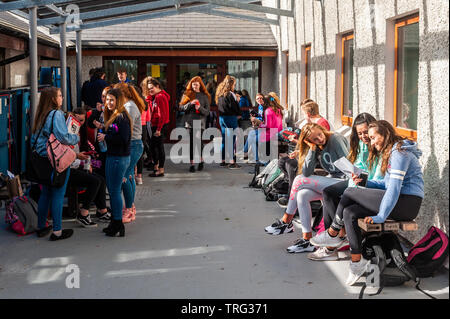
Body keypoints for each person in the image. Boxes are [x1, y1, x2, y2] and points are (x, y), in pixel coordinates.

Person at [310, 120, 424, 285]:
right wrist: (363, 181)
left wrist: (381, 216)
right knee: (350, 212)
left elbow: (393, 189)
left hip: (407, 204)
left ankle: (333, 233)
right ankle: (357, 262)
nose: (371, 142)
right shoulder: (391, 153)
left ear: (385, 134)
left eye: (373, 137)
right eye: (369, 138)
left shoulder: (400, 153)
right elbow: (385, 185)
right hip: (399, 200)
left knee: (349, 192)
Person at [307, 113, 384, 261]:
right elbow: (358, 168)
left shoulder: (378, 145)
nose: (363, 136)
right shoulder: (362, 144)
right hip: (359, 181)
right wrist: (353, 180)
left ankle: (332, 241)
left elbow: (377, 175)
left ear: (374, 128)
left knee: (346, 195)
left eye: (365, 132)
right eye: (359, 133)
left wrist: (356, 185)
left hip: (372, 185)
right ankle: (334, 237)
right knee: (328, 193)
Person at [264, 123, 349, 254]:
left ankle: (286, 221)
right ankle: (307, 240)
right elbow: (307, 171)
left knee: (299, 180)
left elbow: (348, 165)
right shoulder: (317, 147)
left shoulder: (335, 139)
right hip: (332, 180)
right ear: (309, 141)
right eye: (314, 139)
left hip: (346, 181)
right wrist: (312, 150)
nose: (319, 139)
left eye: (319, 135)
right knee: (302, 195)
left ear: (323, 130)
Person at [31, 87, 79, 241]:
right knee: (58, 193)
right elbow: (63, 137)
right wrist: (76, 137)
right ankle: (57, 231)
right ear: (52, 99)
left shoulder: (40, 114)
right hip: (56, 160)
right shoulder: (56, 114)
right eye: (59, 95)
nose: (62, 98)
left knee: (45, 193)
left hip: (42, 159)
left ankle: (41, 226)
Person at [277, 99, 330, 208]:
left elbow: (319, 147)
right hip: (313, 155)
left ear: (308, 114)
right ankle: (290, 190)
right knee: (282, 162)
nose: (304, 117)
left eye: (303, 114)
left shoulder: (320, 124)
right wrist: (298, 151)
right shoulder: (315, 123)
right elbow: (310, 145)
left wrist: (297, 144)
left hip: (321, 159)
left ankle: (291, 196)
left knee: (292, 165)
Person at [67, 108, 111, 228]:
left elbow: (86, 150)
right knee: (95, 180)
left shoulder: (81, 131)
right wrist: (83, 163)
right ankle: (84, 212)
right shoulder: (70, 132)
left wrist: (88, 163)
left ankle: (102, 211)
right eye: (77, 119)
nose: (79, 122)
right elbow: (68, 155)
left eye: (82, 120)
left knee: (100, 177)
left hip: (78, 164)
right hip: (69, 168)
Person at [97, 88, 132, 237]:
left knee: (115, 191)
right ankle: (115, 222)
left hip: (118, 158)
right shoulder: (112, 116)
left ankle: (117, 223)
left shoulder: (121, 117)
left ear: (119, 101)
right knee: (113, 191)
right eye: (108, 99)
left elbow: (124, 139)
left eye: (112, 100)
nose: (109, 102)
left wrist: (106, 137)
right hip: (114, 157)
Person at [114, 83, 145, 222]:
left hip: (132, 144)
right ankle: (130, 207)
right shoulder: (129, 105)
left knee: (126, 176)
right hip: (133, 144)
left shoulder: (129, 107)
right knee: (129, 174)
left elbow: (126, 129)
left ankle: (129, 209)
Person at [178, 75, 211, 172]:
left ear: (200, 85)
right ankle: (192, 164)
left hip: (200, 122)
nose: (194, 87)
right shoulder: (187, 94)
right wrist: (190, 104)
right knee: (192, 143)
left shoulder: (205, 96)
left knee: (199, 142)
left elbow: (207, 112)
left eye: (196, 85)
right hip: (190, 122)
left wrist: (199, 108)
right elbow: (180, 108)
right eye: (193, 85)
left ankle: (201, 160)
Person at [216, 75, 242, 169]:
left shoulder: (220, 94)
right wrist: (238, 101)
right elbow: (234, 107)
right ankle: (231, 162)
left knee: (224, 140)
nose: (234, 85)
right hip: (230, 118)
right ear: (231, 84)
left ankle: (223, 161)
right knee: (231, 140)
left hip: (222, 118)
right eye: (234, 84)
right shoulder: (231, 94)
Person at [147, 78, 170, 177]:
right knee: (153, 147)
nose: (150, 90)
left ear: (157, 86)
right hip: (156, 125)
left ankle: (160, 169)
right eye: (149, 89)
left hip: (159, 126)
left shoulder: (160, 97)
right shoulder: (156, 96)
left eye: (151, 88)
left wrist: (159, 129)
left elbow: (162, 114)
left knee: (158, 147)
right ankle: (156, 167)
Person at [257, 92, 284, 162]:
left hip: (270, 134)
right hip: (278, 132)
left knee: (257, 139)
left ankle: (263, 163)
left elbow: (268, 125)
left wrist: (260, 125)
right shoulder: (278, 109)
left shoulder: (268, 111)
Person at [136, 77, 153, 185]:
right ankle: (140, 176)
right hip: (143, 127)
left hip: (135, 128)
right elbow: (148, 118)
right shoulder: (145, 102)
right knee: (140, 152)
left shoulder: (132, 103)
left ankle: (134, 173)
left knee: (133, 151)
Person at [243, 93, 265, 162]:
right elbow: (260, 117)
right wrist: (255, 116)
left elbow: (263, 119)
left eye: (261, 98)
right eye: (258, 98)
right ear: (256, 100)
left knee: (251, 135)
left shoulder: (264, 107)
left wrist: (255, 118)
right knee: (251, 134)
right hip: (260, 127)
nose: (259, 99)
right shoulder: (259, 106)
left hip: (264, 128)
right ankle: (253, 158)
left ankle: (245, 151)